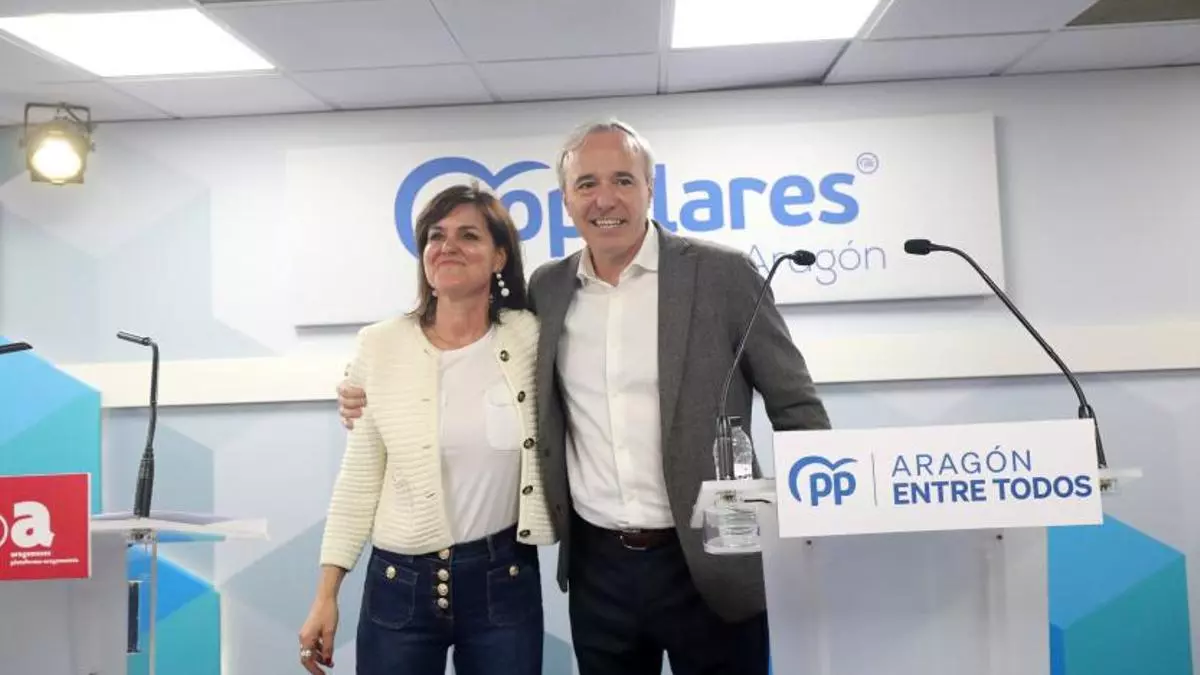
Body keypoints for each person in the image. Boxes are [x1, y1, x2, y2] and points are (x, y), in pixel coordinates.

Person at [339, 120, 832, 675]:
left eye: (622, 180)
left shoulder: (723, 274)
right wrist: (359, 390)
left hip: (713, 555)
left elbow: (797, 407)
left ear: (650, 188)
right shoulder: (548, 291)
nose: (605, 199)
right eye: (587, 184)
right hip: (600, 569)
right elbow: (466, 353)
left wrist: (812, 527)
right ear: (567, 200)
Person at [300, 183, 556, 675]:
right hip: (400, 585)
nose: (447, 246)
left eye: (468, 235)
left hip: (503, 579)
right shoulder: (380, 345)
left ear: (500, 256)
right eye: (436, 236)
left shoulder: (530, 336)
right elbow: (359, 479)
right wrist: (325, 595)